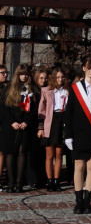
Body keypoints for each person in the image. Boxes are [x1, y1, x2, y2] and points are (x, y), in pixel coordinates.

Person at [63, 58, 91, 214]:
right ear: (84, 69)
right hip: (78, 133)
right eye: (89, 68)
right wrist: (68, 135)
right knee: (79, 166)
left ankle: (88, 202)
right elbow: (69, 113)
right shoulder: (75, 88)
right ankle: (78, 202)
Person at [1, 64, 39, 193]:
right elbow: (4, 107)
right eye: (22, 74)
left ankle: (19, 183)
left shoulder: (32, 89)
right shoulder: (9, 89)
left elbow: (34, 109)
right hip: (11, 125)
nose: (24, 76)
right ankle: (11, 183)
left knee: (22, 152)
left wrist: (26, 122)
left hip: (25, 126)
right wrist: (12, 122)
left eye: (27, 74)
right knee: (11, 153)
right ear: (18, 75)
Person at [38, 65, 69, 191]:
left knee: (59, 153)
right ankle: (49, 181)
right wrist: (40, 127)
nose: (60, 80)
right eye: (58, 77)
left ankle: (57, 180)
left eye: (62, 77)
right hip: (50, 122)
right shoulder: (46, 91)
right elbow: (41, 110)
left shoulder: (67, 91)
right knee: (49, 154)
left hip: (63, 120)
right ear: (53, 78)